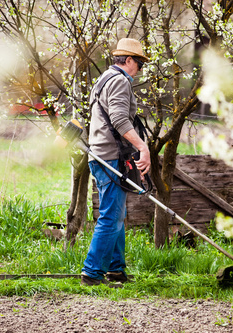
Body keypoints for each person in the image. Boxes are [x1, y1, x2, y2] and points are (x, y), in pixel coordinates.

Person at [81, 38, 151, 286]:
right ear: (129, 60)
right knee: (111, 216)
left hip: (99, 155)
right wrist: (143, 147)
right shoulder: (120, 81)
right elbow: (120, 120)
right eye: (139, 63)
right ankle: (92, 273)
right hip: (109, 157)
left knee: (117, 213)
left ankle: (116, 270)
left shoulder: (104, 78)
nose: (140, 69)